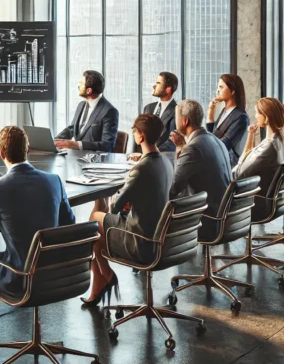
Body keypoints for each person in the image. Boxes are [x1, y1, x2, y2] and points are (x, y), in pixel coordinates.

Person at [0, 126, 75, 356]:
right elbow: (69, 222)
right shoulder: (54, 181)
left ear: (1, 153)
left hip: (20, 279)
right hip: (56, 274)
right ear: (28, 150)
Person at [86, 114, 173, 306]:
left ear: (140, 136)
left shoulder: (141, 168)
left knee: (93, 220)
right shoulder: (166, 162)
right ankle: (101, 284)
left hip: (141, 240)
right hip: (162, 237)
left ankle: (107, 277)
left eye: (135, 132)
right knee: (98, 239)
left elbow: (115, 208)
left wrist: (114, 193)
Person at [169, 99, 233, 239]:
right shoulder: (215, 140)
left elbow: (174, 187)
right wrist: (180, 147)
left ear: (185, 121)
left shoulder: (193, 148)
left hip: (206, 220)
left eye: (176, 118)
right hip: (225, 215)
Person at [233, 98, 284, 209]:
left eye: (257, 113)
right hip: (264, 196)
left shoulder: (268, 148)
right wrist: (251, 135)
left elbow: (239, 174)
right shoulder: (281, 140)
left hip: (251, 201)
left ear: (267, 117)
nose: (255, 116)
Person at [54, 70, 119, 152]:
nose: (79, 86)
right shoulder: (81, 105)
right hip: (76, 157)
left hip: (94, 161)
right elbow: (72, 129)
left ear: (89, 90)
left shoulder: (110, 111)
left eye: (81, 83)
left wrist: (77, 145)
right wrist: (55, 141)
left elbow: (107, 145)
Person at [206, 74, 250, 168]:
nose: (218, 90)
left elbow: (223, 145)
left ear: (233, 91)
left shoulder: (240, 117)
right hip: (217, 161)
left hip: (227, 166)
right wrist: (211, 111)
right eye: (218, 87)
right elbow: (212, 135)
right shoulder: (225, 112)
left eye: (221, 87)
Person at [143, 71, 178, 152]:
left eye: (158, 83)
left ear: (168, 89)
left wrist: (152, 153)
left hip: (162, 157)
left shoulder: (177, 111)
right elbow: (139, 131)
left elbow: (172, 141)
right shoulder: (148, 108)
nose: (154, 86)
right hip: (142, 156)